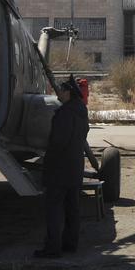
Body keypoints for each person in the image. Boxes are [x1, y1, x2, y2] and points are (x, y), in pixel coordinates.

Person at [34, 77, 90, 258]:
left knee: (54, 209)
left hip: (60, 168)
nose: (59, 93)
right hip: (75, 167)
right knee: (72, 208)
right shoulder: (81, 111)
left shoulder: (65, 113)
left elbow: (58, 141)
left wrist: (48, 162)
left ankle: (52, 248)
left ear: (68, 93)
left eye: (61, 90)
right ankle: (70, 244)